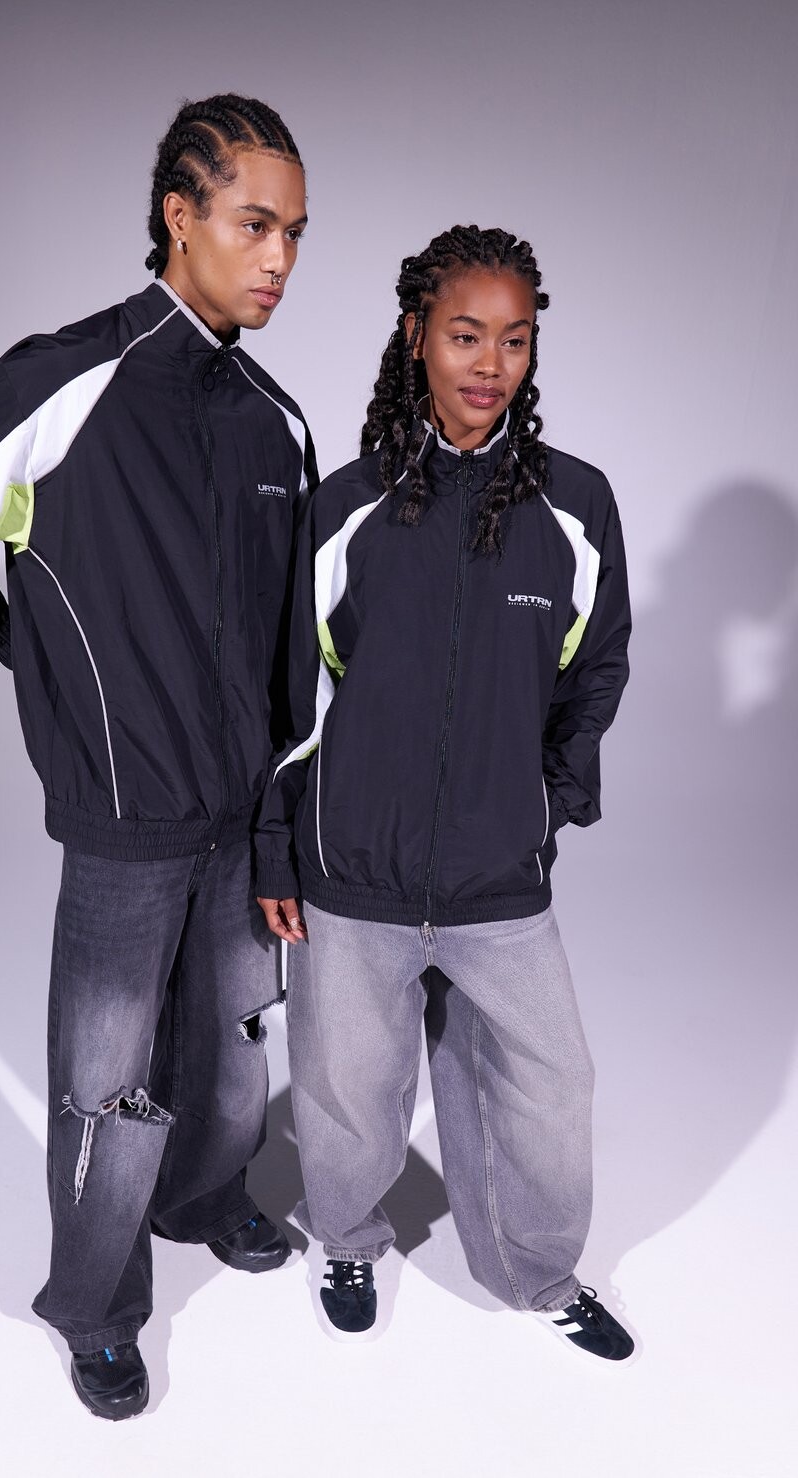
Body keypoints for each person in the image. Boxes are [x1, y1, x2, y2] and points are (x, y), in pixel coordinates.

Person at [0, 94, 316, 1420]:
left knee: (232, 1044)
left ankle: (205, 1194)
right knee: (106, 1082)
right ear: (180, 215)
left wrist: (281, 819)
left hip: (241, 818)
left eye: (295, 232)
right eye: (254, 223)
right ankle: (98, 1306)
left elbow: (292, 651)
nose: (279, 257)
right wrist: (15, 639)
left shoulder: (277, 424)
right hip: (123, 817)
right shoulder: (72, 380)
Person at [256, 225, 635, 1361]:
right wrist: (278, 845)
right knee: (345, 1086)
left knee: (551, 1086)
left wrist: (545, 805)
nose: (490, 363)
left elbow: (594, 667)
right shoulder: (348, 507)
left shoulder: (575, 506)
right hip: (354, 871)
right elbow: (291, 694)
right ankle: (347, 1236)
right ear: (417, 334)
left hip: (495, 876)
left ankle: (535, 1269)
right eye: (466, 335)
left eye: (514, 340)